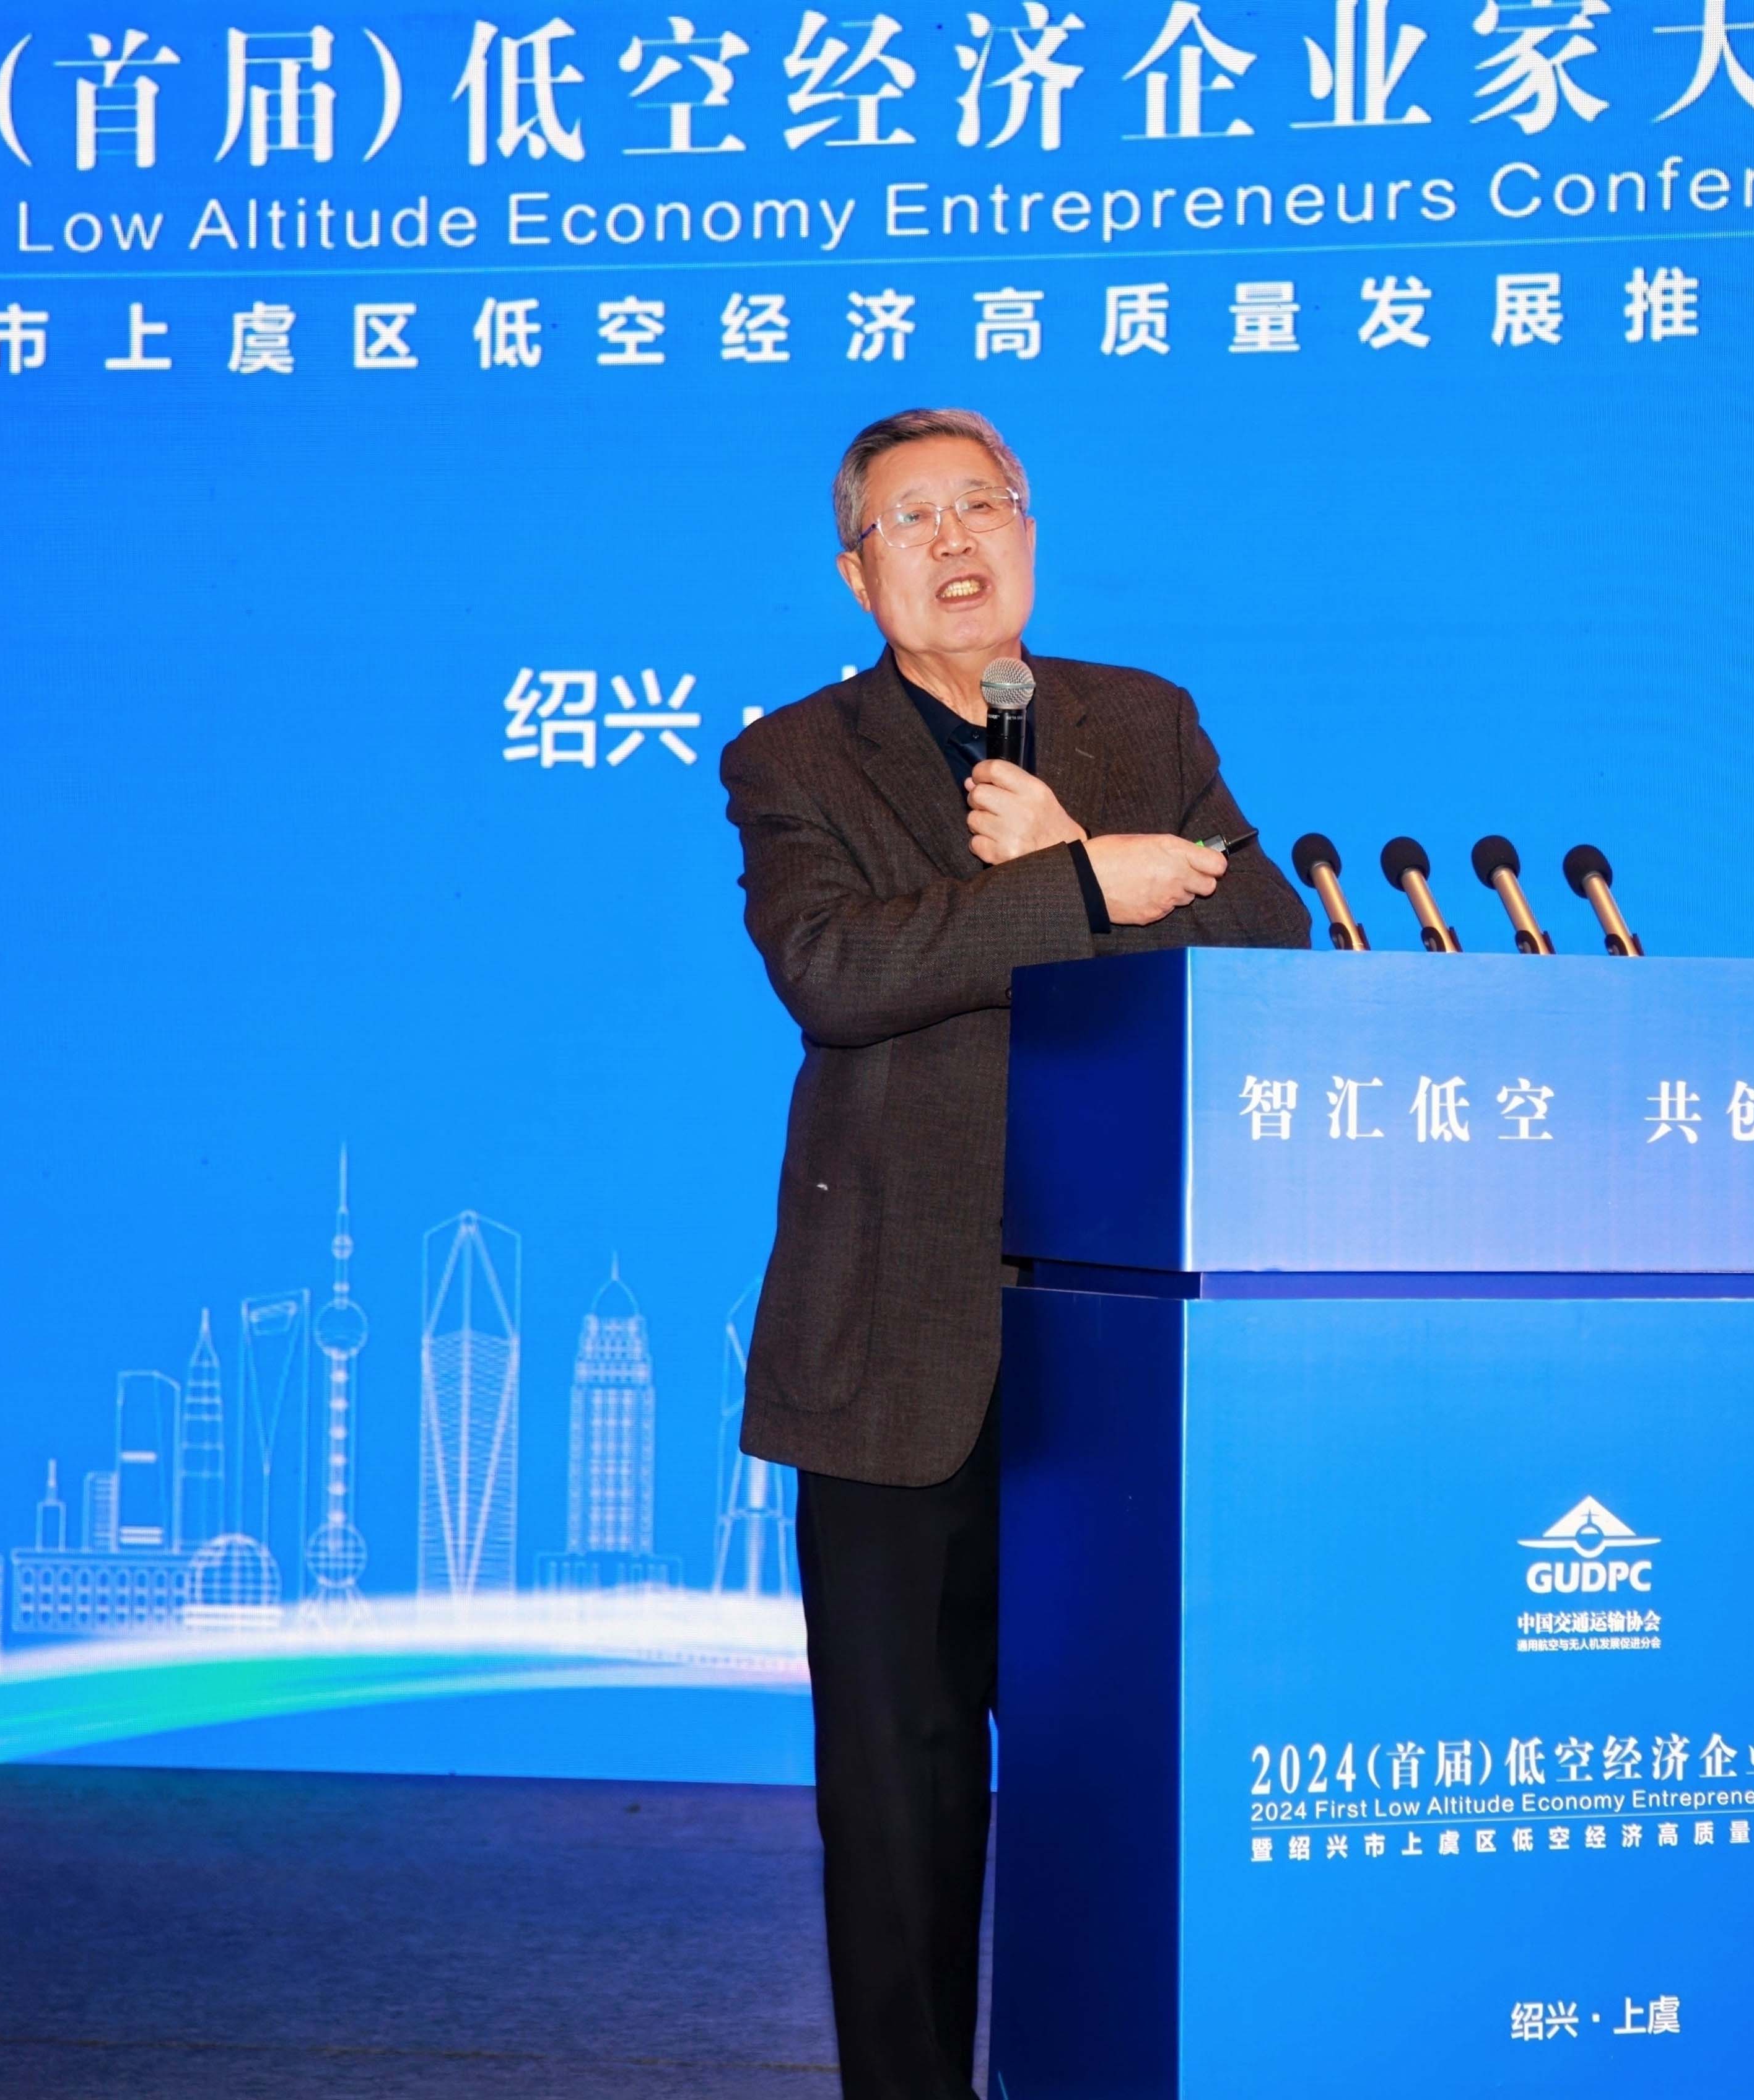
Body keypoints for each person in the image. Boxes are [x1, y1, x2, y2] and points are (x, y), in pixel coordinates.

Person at [719, 407, 1309, 2099]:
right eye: (912, 519)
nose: (957, 539)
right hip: (900, 1348)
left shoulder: (1142, 720)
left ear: (1030, 534)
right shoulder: (796, 761)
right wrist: (1086, 894)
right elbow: (839, 971)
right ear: (859, 574)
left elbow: (1267, 937)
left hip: (1124, 1352)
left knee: (1119, 1775)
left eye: (984, 504)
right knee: (898, 1801)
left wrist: (1073, 863)